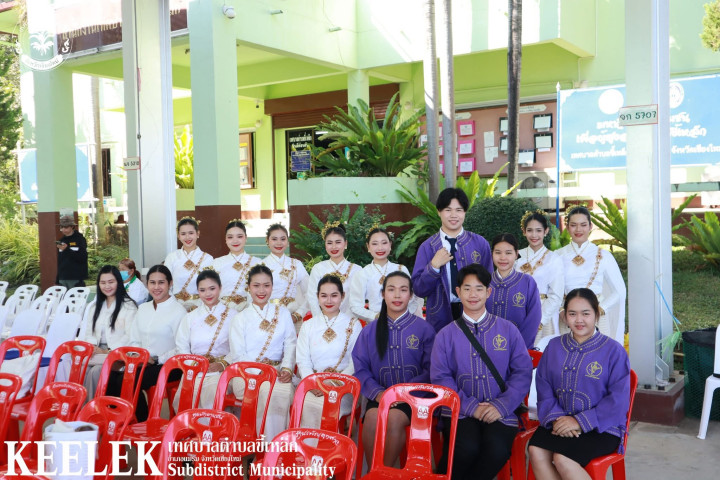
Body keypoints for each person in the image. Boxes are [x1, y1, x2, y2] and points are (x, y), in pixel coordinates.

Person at [431, 264, 533, 480]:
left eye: (479, 288)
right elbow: (441, 377)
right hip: (460, 410)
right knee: (465, 448)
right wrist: (471, 407)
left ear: (488, 292)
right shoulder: (445, 335)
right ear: (458, 292)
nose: (473, 294)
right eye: (467, 288)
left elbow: (522, 372)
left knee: (497, 450)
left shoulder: (508, 330)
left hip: (500, 409)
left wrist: (501, 405)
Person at [528, 288, 631, 480]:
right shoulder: (554, 346)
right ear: (565, 316)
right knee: (536, 450)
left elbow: (618, 401)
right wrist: (557, 419)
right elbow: (544, 387)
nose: (579, 320)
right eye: (572, 314)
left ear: (597, 315)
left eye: (585, 314)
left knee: (563, 459)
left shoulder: (614, 351)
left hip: (602, 426)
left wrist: (578, 422)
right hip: (558, 420)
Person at [352, 271, 435, 469]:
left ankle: (384, 472)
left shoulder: (424, 329)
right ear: (383, 294)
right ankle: (374, 471)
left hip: (415, 398)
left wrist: (404, 393)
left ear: (411, 295)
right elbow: (361, 368)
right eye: (391, 289)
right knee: (371, 418)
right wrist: (378, 393)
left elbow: (432, 368)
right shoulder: (370, 331)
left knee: (395, 418)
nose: (397, 295)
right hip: (380, 396)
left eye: (403, 290)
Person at [228, 264, 297, 441]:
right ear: (248, 287)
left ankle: (276, 444)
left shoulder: (283, 313)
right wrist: (263, 373)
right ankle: (268, 446)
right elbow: (238, 355)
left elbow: (290, 343)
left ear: (272, 287)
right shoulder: (239, 318)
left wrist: (287, 369)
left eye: (266, 285)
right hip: (247, 375)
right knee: (268, 390)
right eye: (256, 285)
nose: (261, 290)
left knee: (279, 391)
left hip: (279, 373)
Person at [412, 188, 493, 332]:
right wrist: (434, 266)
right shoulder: (428, 247)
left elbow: (490, 283)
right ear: (439, 211)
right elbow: (418, 289)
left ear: (465, 212)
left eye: (459, 210)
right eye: (448, 210)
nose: (454, 215)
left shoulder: (480, 244)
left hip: (475, 315)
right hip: (439, 317)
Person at [296, 275, 362, 428]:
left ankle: (330, 443)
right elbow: (303, 361)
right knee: (308, 404)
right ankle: (309, 443)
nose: (329, 300)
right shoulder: (308, 325)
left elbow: (355, 362)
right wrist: (314, 384)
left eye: (334, 295)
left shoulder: (353, 324)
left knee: (325, 405)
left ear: (342, 296)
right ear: (317, 297)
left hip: (343, 385)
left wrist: (334, 384)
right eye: (324, 296)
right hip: (314, 385)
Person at [124, 265, 187, 421]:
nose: (156, 287)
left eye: (161, 282)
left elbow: (181, 348)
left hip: (168, 365)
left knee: (130, 379)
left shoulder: (179, 311)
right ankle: (122, 421)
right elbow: (134, 339)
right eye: (152, 283)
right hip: (142, 362)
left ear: (170, 283)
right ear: (147, 285)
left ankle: (142, 422)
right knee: (113, 376)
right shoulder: (143, 309)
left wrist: (157, 359)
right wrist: (139, 357)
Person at [556, 206, 626, 344]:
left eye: (583, 225)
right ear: (567, 227)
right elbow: (552, 289)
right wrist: (561, 311)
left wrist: (600, 310)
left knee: (599, 355)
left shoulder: (604, 255)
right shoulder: (557, 256)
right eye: (573, 225)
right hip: (567, 318)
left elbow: (619, 290)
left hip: (597, 317)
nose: (578, 229)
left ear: (590, 226)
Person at [175, 269, 237, 408]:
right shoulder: (190, 317)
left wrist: (222, 364)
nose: (207, 294)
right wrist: (193, 365)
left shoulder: (234, 316)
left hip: (221, 370)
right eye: (202, 290)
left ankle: (211, 423)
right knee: (185, 394)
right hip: (194, 369)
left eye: (212, 289)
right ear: (198, 292)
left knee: (213, 392)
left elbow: (238, 347)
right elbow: (182, 345)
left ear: (220, 288)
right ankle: (191, 423)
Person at [81, 265, 138, 400]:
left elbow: (130, 336)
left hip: (118, 355)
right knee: (79, 367)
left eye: (111, 282)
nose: (107, 286)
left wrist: (107, 351)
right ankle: (79, 408)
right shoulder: (95, 307)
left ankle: (91, 409)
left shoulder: (129, 306)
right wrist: (92, 347)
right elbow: (88, 333)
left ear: (118, 282)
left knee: (95, 371)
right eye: (103, 283)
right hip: (97, 353)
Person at [349, 227, 423, 321]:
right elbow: (355, 306)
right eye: (375, 244)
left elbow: (412, 299)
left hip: (402, 322)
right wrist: (377, 317)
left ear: (390, 244)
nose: (380, 248)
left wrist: (401, 315)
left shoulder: (401, 269)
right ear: (368, 247)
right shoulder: (362, 274)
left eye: (384, 243)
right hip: (376, 324)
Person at [516, 211, 564, 347]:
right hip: (519, 312)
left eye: (538, 230)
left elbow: (556, 295)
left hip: (544, 316)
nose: (534, 235)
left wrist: (540, 320)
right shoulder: (516, 255)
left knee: (543, 354)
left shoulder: (554, 259)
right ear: (524, 232)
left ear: (546, 231)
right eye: (530, 230)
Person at [487, 233, 542, 349]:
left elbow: (533, 318)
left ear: (516, 254)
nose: (503, 258)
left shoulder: (527, 282)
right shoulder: (484, 282)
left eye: (508, 253)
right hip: (486, 347)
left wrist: (519, 347)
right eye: (498, 252)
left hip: (519, 348)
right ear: (492, 254)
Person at [307, 222, 359, 319]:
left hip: (349, 321)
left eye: (338, 242)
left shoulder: (356, 270)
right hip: (322, 321)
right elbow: (312, 297)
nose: (334, 247)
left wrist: (346, 321)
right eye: (329, 243)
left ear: (345, 244)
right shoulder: (318, 268)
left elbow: (357, 300)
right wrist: (321, 320)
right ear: (325, 245)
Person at [263, 224, 310, 331]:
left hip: (292, 316)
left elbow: (310, 292)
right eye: (274, 239)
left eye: (283, 239)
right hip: (268, 316)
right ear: (267, 241)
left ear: (287, 241)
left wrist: (298, 314)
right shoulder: (261, 266)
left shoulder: (297, 264)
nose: (279, 243)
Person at [164, 217, 213, 311]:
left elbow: (210, 286)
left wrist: (199, 306)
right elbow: (166, 283)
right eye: (183, 234)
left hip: (200, 306)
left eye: (191, 233)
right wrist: (173, 305)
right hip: (175, 306)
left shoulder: (207, 259)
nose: (187, 237)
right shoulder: (172, 257)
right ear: (178, 236)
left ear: (198, 234)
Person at [214, 220, 261, 312]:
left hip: (250, 311)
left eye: (239, 236)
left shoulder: (257, 263)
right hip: (223, 311)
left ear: (246, 238)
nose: (235, 241)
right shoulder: (216, 263)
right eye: (230, 237)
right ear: (225, 239)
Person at [56, 215, 88, 288]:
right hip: (63, 278)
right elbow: (60, 260)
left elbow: (82, 257)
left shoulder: (80, 239)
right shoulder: (62, 240)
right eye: (62, 227)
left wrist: (67, 250)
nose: (63, 230)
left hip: (76, 277)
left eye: (66, 227)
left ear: (72, 227)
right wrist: (58, 278)